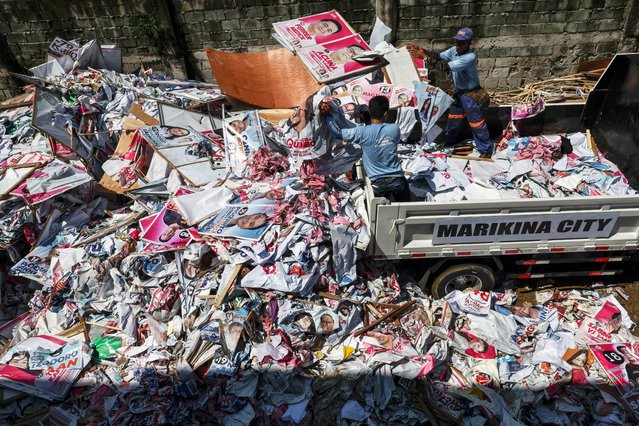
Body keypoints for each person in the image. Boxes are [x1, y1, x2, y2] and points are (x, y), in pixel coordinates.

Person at [408, 28, 493, 158]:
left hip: (470, 94)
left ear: (469, 43)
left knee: (477, 123)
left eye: (462, 43)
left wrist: (424, 57)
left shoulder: (469, 57)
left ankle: (485, 149)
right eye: (457, 42)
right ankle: (450, 142)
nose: (458, 45)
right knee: (454, 118)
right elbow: (438, 56)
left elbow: (444, 67)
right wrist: (422, 50)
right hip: (459, 92)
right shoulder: (454, 50)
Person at [322, 95, 410, 202]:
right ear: (386, 113)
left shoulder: (362, 132)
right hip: (398, 181)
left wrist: (327, 116)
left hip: (377, 184)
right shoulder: (395, 129)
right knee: (405, 204)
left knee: (380, 209)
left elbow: (337, 133)